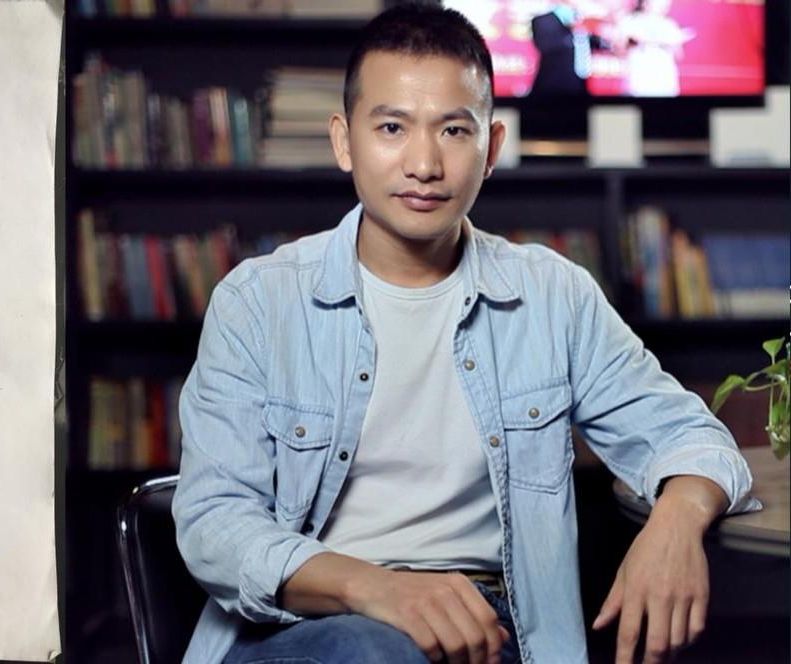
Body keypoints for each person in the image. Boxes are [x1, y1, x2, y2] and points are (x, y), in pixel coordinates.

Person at [170, 2, 759, 663]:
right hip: (302, 626)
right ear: (344, 141)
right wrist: (374, 589)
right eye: (392, 127)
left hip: (489, 629)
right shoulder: (258, 302)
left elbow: (691, 436)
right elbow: (214, 524)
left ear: (491, 148)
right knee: (371, 651)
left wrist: (677, 520)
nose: (424, 163)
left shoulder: (551, 296)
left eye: (454, 130)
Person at [528, 1, 612, 97]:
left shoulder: (581, 19)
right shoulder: (543, 20)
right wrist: (574, 32)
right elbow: (545, 45)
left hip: (578, 85)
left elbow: (590, 42)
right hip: (551, 85)